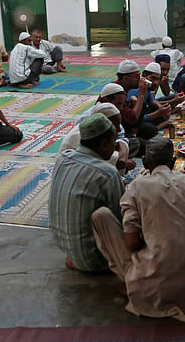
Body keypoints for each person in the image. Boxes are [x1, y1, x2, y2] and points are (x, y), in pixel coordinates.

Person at [91, 137, 185, 322]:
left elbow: (132, 244)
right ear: (173, 162)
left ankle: (134, 282)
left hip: (153, 283)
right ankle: (141, 280)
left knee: (100, 216)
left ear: (145, 163)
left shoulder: (135, 188)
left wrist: (150, 232)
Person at [49, 113, 125, 272]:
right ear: (104, 145)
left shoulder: (63, 157)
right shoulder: (107, 173)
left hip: (65, 248)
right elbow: (120, 221)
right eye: (114, 140)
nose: (116, 145)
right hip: (95, 259)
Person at [59, 103, 135, 174]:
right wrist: (120, 159)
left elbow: (120, 140)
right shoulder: (81, 136)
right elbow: (92, 161)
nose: (119, 130)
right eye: (116, 125)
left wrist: (122, 148)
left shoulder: (98, 128)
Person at [113, 60, 157, 139]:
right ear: (126, 78)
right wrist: (141, 95)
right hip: (115, 131)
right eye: (137, 76)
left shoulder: (124, 88)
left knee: (150, 129)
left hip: (126, 122)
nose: (140, 79)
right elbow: (133, 118)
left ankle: (134, 134)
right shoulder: (116, 92)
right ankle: (133, 137)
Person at [126, 62, 172, 129]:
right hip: (133, 123)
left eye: (157, 79)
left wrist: (161, 107)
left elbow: (152, 99)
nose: (156, 82)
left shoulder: (147, 89)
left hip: (142, 115)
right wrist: (158, 113)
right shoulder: (134, 92)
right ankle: (157, 127)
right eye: (152, 78)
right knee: (149, 128)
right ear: (144, 76)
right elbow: (135, 118)